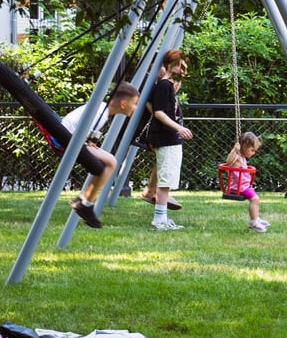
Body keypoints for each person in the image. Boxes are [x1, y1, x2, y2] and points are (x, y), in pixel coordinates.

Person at [64, 82, 140, 228]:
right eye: (134, 103)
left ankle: (85, 201)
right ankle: (84, 203)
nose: (135, 107)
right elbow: (75, 132)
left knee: (108, 162)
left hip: (69, 137)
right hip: (65, 139)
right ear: (123, 103)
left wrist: (88, 143)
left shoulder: (102, 110)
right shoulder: (101, 114)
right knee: (111, 162)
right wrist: (86, 144)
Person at [145, 50, 193, 230]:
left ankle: (162, 219)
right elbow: (159, 112)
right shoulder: (164, 85)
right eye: (180, 66)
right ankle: (159, 220)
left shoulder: (166, 86)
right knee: (165, 181)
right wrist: (179, 128)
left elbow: (154, 106)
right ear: (170, 64)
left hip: (170, 138)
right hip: (167, 138)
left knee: (167, 180)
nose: (183, 71)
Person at [225, 131, 270, 233]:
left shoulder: (243, 157)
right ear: (244, 146)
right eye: (252, 150)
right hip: (238, 187)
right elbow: (228, 161)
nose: (254, 153)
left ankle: (256, 218)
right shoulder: (237, 157)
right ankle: (253, 222)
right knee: (255, 199)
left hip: (243, 186)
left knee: (255, 199)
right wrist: (234, 150)